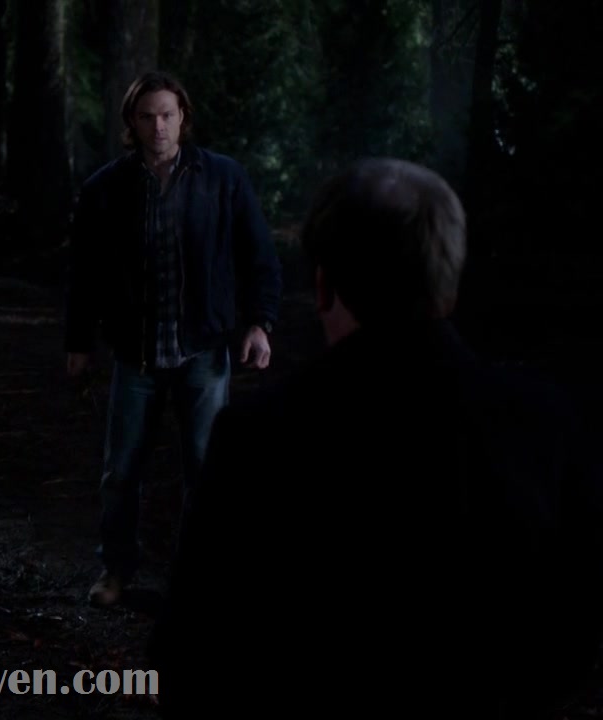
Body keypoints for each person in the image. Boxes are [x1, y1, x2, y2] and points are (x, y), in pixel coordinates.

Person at [148, 157, 603, 718]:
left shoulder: (257, 438)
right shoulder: (545, 423)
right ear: (449, 285)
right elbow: (576, 632)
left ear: (323, 286)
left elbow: (188, 657)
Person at [64, 71, 282, 606]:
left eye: (167, 114)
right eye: (147, 117)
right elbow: (84, 273)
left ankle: (201, 577)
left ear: (183, 116)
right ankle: (115, 570)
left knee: (207, 469)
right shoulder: (105, 188)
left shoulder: (223, 178)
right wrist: (78, 342)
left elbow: (258, 255)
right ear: (132, 123)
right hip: (136, 354)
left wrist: (259, 323)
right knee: (121, 471)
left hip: (202, 352)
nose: (158, 126)